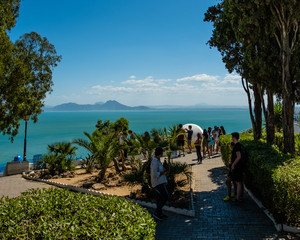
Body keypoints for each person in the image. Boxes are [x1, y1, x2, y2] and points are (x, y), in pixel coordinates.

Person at [151, 146, 170, 220]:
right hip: (157, 183)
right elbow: (155, 173)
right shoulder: (155, 161)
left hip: (161, 182)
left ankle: (159, 213)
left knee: (159, 198)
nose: (163, 153)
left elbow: (161, 171)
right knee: (165, 196)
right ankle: (157, 212)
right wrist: (164, 172)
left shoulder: (158, 160)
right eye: (162, 152)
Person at [230, 132, 245, 203]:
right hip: (240, 166)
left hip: (237, 166)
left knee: (238, 182)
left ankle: (237, 198)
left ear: (234, 137)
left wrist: (233, 165)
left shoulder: (237, 146)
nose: (231, 138)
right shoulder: (240, 145)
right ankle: (240, 196)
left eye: (232, 137)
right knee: (240, 182)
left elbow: (238, 156)